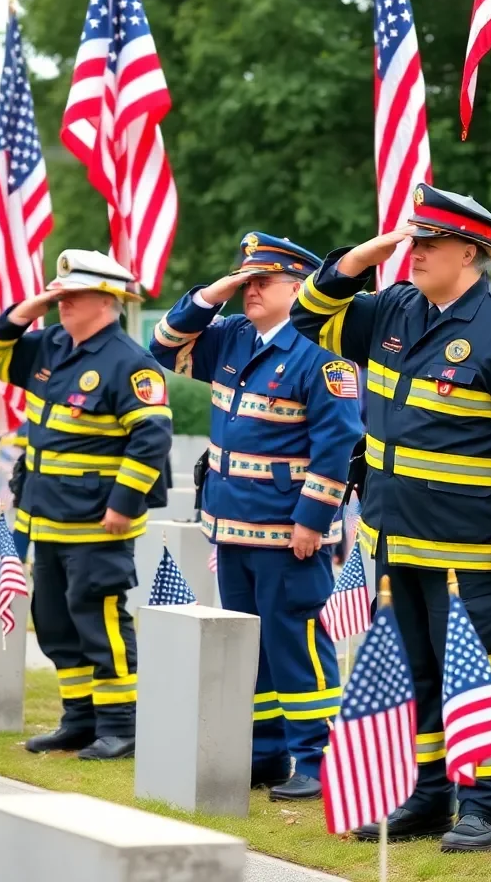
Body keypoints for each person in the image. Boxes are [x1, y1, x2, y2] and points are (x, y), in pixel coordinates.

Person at [291, 184, 491, 851]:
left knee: (476, 673)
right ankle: (429, 792)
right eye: (411, 242)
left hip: (470, 547)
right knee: (416, 670)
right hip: (398, 538)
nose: (414, 255)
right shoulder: (393, 308)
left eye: (430, 244)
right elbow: (309, 319)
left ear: (470, 252)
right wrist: (361, 257)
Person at [149, 233, 362, 801]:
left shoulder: (321, 353)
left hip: (288, 531)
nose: (251, 290)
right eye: (246, 280)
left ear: (300, 288)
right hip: (231, 525)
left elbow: (337, 443)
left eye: (263, 280)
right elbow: (164, 346)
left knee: (295, 642)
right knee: (251, 646)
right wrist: (213, 293)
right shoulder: (234, 338)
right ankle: (266, 753)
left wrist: (314, 520)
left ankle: (317, 759)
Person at [0, 250, 173, 761]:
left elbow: (150, 438)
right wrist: (28, 307)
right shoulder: (51, 345)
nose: (62, 304)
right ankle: (78, 721)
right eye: (58, 294)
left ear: (106, 300)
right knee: (56, 621)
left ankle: (120, 726)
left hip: (97, 519)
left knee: (99, 618)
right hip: (46, 514)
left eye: (72, 296)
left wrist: (124, 504)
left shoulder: (130, 363)